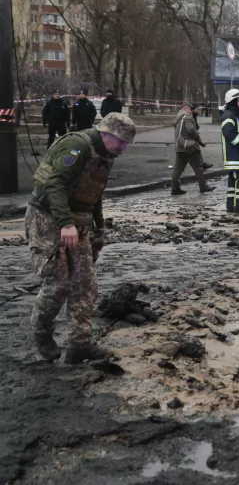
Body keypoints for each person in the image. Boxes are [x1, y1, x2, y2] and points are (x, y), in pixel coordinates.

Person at [26, 113, 136, 363]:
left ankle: (79, 344)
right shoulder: (77, 146)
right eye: (120, 142)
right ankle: (41, 333)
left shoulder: (106, 155)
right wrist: (65, 224)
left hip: (80, 220)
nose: (123, 148)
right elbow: (54, 184)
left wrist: (99, 227)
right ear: (106, 133)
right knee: (58, 282)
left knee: (85, 283)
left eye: (126, 144)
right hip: (47, 217)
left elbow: (95, 192)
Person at [171, 104, 215, 195]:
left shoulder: (179, 118)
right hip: (190, 147)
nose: (192, 110)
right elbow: (191, 129)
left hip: (180, 147)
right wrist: (198, 138)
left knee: (177, 169)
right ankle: (203, 186)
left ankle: (175, 188)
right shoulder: (187, 117)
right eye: (190, 109)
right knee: (198, 167)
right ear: (185, 108)